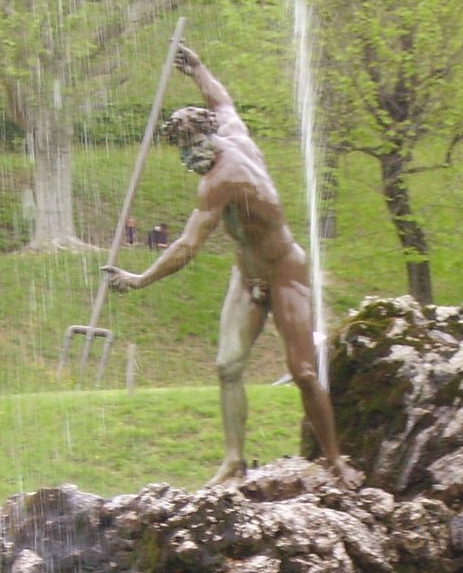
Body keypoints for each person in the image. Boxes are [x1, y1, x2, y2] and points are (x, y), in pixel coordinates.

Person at [102, 44, 353, 486]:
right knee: (227, 366)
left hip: (284, 271)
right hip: (247, 272)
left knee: (303, 371)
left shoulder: (221, 181)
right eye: (180, 149)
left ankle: (335, 461)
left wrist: (140, 279)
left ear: (204, 139)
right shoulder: (230, 129)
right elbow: (222, 99)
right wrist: (196, 68)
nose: (185, 158)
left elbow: (186, 247)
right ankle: (234, 461)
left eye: (188, 147)